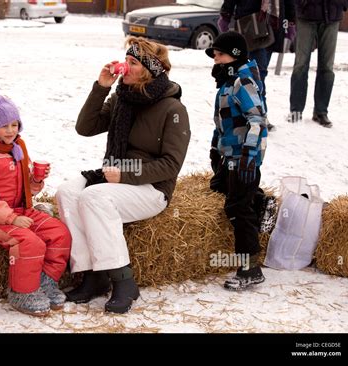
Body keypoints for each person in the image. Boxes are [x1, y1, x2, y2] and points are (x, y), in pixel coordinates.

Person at [56, 36, 191, 314]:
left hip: (151, 188)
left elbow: (171, 165)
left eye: (132, 63)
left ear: (150, 70)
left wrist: (126, 175)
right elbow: (86, 127)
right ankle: (92, 275)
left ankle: (123, 281)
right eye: (125, 60)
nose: (124, 67)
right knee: (67, 192)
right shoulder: (121, 99)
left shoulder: (173, 109)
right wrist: (101, 88)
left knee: (94, 197)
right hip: (115, 178)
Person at [0, 91, 71, 316]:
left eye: (14, 124)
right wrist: (11, 218)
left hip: (23, 209)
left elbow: (27, 190)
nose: (11, 130)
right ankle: (22, 292)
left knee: (59, 233)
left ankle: (45, 282)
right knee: (30, 243)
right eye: (4, 125)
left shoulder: (17, 149)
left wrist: (37, 180)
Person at [206, 32, 267, 290]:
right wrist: (214, 147)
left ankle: (250, 267)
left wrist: (248, 156)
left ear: (235, 55)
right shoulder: (227, 83)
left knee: (236, 208)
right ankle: (260, 201)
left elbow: (257, 121)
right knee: (217, 188)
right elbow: (223, 122)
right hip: (229, 153)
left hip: (244, 158)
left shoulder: (243, 82)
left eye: (219, 55)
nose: (215, 60)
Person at [218, 0, 296, 131]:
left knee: (258, 74)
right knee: (257, 73)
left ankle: (254, 113)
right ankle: (256, 115)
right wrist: (226, 15)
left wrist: (291, 22)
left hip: (273, 27)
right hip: (250, 24)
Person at [288, 0, 348, 127]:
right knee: (301, 65)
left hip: (332, 14)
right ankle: (296, 111)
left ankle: (321, 111)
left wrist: (342, 4)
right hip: (306, 14)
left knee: (327, 67)